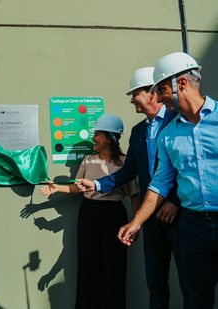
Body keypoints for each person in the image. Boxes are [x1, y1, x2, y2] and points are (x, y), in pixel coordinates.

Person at [76, 67, 185, 308]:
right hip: (151, 216)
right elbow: (128, 172)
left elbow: (188, 167)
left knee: (190, 281)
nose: (132, 99)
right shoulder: (138, 132)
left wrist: (174, 201)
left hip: (180, 215)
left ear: (152, 94)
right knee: (155, 281)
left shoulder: (178, 121)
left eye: (135, 93)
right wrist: (96, 183)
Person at [118, 52, 218, 309]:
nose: (160, 97)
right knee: (196, 299)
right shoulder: (168, 135)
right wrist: (136, 222)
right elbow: (159, 185)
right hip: (193, 228)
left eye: (162, 89)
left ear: (181, 83)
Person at [40, 113, 139, 309]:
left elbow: (135, 195)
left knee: (113, 267)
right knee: (88, 265)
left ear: (111, 137)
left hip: (113, 215)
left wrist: (135, 224)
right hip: (88, 214)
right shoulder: (88, 160)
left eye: (98, 134)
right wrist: (57, 188)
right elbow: (79, 187)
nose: (93, 138)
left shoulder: (125, 163)